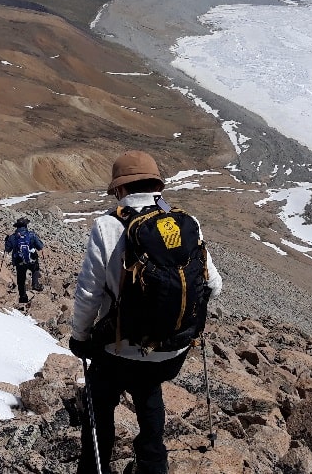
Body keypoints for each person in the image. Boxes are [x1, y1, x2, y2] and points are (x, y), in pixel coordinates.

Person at [69, 150, 223, 474]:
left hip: (120, 348)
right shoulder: (188, 223)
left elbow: (88, 294)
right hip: (171, 350)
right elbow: (214, 284)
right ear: (157, 185)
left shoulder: (107, 227)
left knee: (100, 400)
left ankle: (95, 466)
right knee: (149, 391)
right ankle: (153, 465)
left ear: (120, 189)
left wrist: (80, 337)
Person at [4, 217, 44, 303]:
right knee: (35, 269)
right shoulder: (31, 235)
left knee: (21, 280)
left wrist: (6, 241)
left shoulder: (13, 237)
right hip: (31, 260)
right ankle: (35, 284)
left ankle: (23, 298)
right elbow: (40, 247)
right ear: (26, 225)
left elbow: (7, 249)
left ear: (17, 227)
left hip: (19, 261)